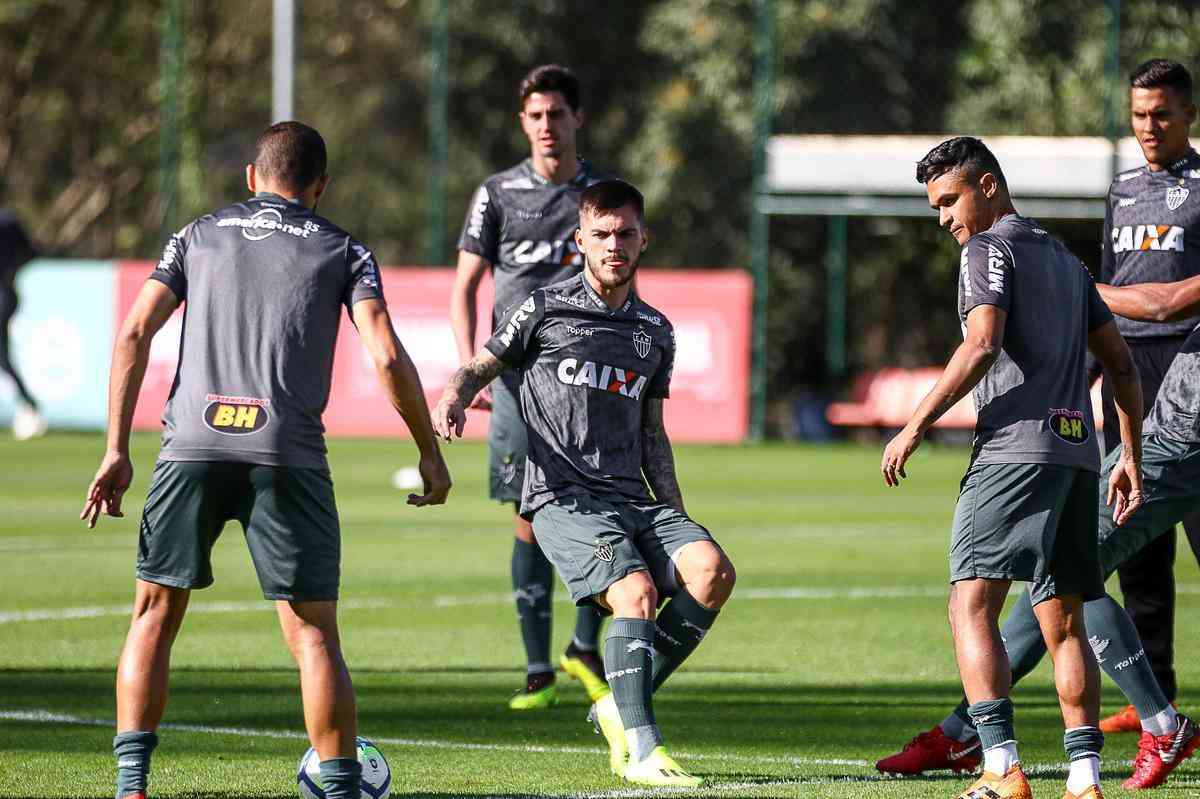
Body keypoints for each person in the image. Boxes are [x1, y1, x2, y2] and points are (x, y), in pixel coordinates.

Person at [80, 122, 451, 799]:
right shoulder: (345, 249)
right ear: (320, 186)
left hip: (190, 443)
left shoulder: (196, 234)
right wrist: (429, 451)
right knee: (313, 634)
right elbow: (389, 355)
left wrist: (114, 448)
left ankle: (131, 787)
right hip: (287, 453)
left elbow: (134, 329)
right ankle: (340, 790)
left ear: (251, 176)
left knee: (152, 613)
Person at [434, 180, 735, 787]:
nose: (614, 245)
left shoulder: (656, 331)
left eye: (625, 234)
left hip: (633, 498)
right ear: (580, 241)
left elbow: (653, 433)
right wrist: (453, 397)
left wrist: (677, 517)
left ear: (643, 239)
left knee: (710, 571)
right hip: (562, 499)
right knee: (636, 597)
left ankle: (615, 704)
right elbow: (479, 365)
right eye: (601, 234)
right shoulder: (545, 307)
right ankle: (645, 749)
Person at [881, 136, 1144, 799]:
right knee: (1064, 620)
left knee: (970, 603)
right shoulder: (1067, 261)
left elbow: (982, 341)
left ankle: (1000, 767)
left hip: (1013, 450)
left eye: (950, 200)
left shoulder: (986, 250)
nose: (944, 218)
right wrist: (1130, 456)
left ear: (988, 186)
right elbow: (1120, 363)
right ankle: (1084, 776)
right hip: (1079, 453)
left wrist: (916, 422)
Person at [878, 272, 1200, 790]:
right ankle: (966, 731)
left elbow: (1163, 305)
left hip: (1183, 437)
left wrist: (1080, 289)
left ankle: (1161, 726)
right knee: (1058, 576)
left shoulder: (1025, 262)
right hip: (1175, 428)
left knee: (1072, 570)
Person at [450, 63, 612, 710]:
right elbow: (465, 286)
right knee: (528, 517)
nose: (547, 125)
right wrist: (472, 367)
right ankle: (540, 668)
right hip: (519, 379)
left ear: (578, 119)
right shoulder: (497, 193)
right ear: (524, 122)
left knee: (600, 506)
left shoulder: (602, 192)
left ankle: (584, 646)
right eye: (535, 115)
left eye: (557, 114)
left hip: (592, 378)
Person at [1096, 58, 1200, 733]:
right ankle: (1151, 698)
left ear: (1188, 112)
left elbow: (1165, 304)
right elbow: (1105, 297)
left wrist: (1116, 298)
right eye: (1138, 115)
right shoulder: (1121, 189)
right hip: (1129, 376)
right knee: (1135, 547)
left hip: (1194, 378)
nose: (1148, 127)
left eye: (1161, 113)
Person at [0, 209, 45, 440]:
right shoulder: (10, 221)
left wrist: (9, 271)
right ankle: (29, 404)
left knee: (3, 357)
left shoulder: (7, 223)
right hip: (7, 293)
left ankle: (30, 405)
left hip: (3, 295)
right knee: (3, 357)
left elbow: (31, 251)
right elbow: (32, 251)